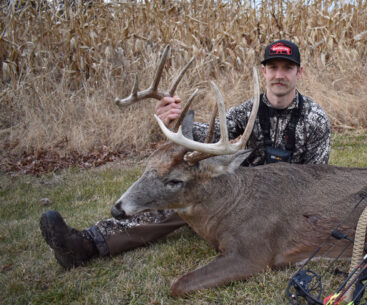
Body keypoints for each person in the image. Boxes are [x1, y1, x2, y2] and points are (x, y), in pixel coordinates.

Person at [40, 40, 332, 268]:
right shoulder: (246, 112)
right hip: (237, 192)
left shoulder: (315, 120)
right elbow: (206, 137)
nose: (279, 75)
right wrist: (172, 120)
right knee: (185, 192)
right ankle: (87, 244)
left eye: (287, 68)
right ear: (265, 71)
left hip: (282, 207)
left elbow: (316, 180)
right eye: (273, 67)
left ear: (299, 73)